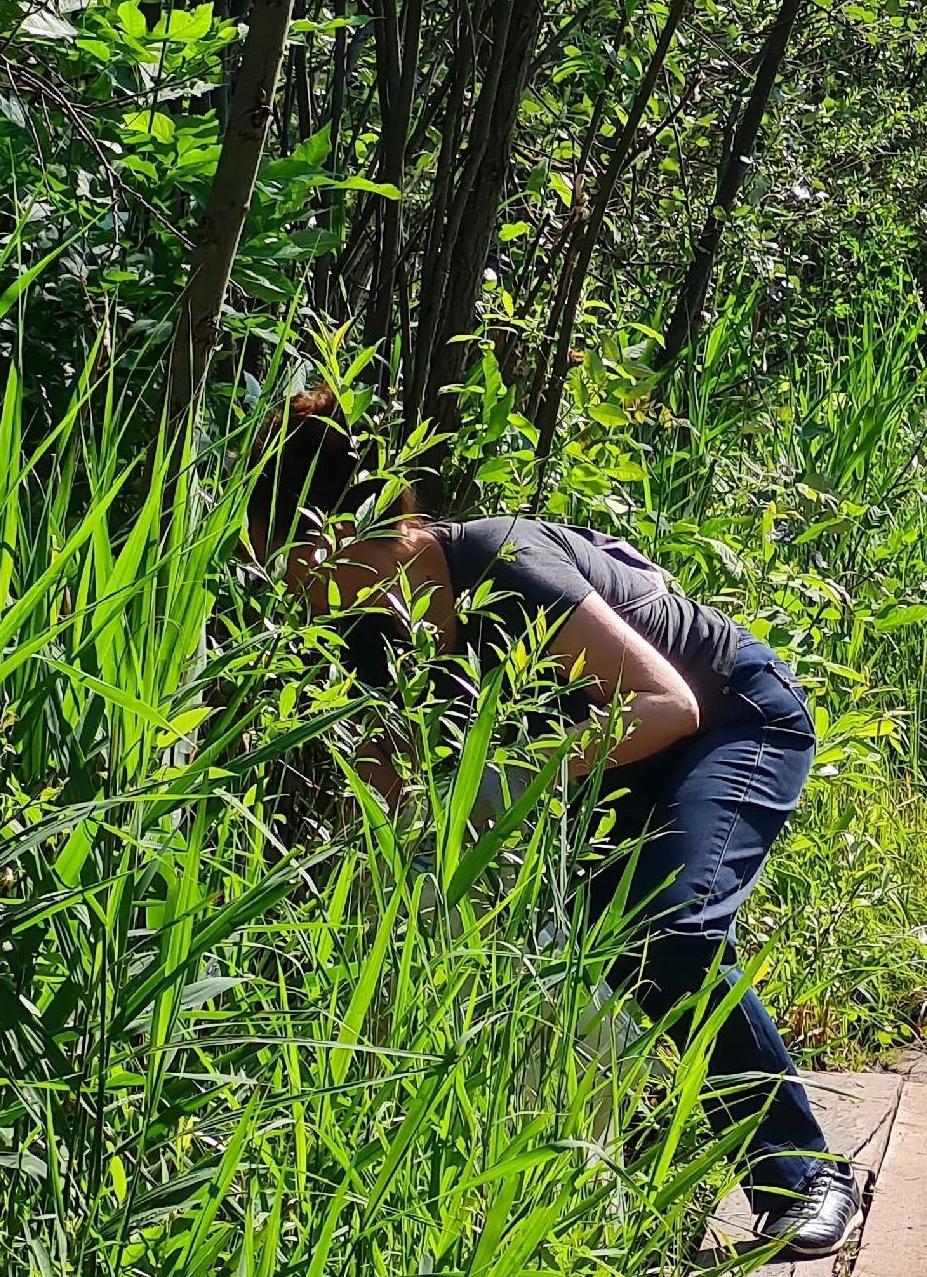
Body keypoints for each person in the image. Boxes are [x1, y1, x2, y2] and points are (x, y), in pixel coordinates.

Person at [246, 389, 859, 1257]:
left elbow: (665, 702)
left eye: (296, 561)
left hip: (732, 723)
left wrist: (487, 778)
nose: (295, 589)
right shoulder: (370, 632)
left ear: (345, 532)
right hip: (613, 760)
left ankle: (805, 1173)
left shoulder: (502, 559)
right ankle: (654, 1136)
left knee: (670, 931)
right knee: (603, 948)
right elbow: (389, 799)